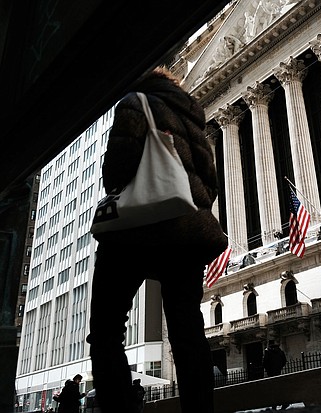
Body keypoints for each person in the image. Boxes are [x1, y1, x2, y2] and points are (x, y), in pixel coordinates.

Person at [87, 67, 228, 412]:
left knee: (106, 330)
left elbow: (117, 169)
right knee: (186, 326)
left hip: (132, 233)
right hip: (186, 233)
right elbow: (210, 181)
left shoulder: (135, 102)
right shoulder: (194, 116)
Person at [263, 340, 288, 410]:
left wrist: (268, 369)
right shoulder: (280, 351)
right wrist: (279, 367)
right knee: (279, 388)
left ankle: (274, 405)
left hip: (271, 373)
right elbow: (284, 361)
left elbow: (265, 362)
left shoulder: (268, 352)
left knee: (273, 389)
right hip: (278, 371)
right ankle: (283, 403)